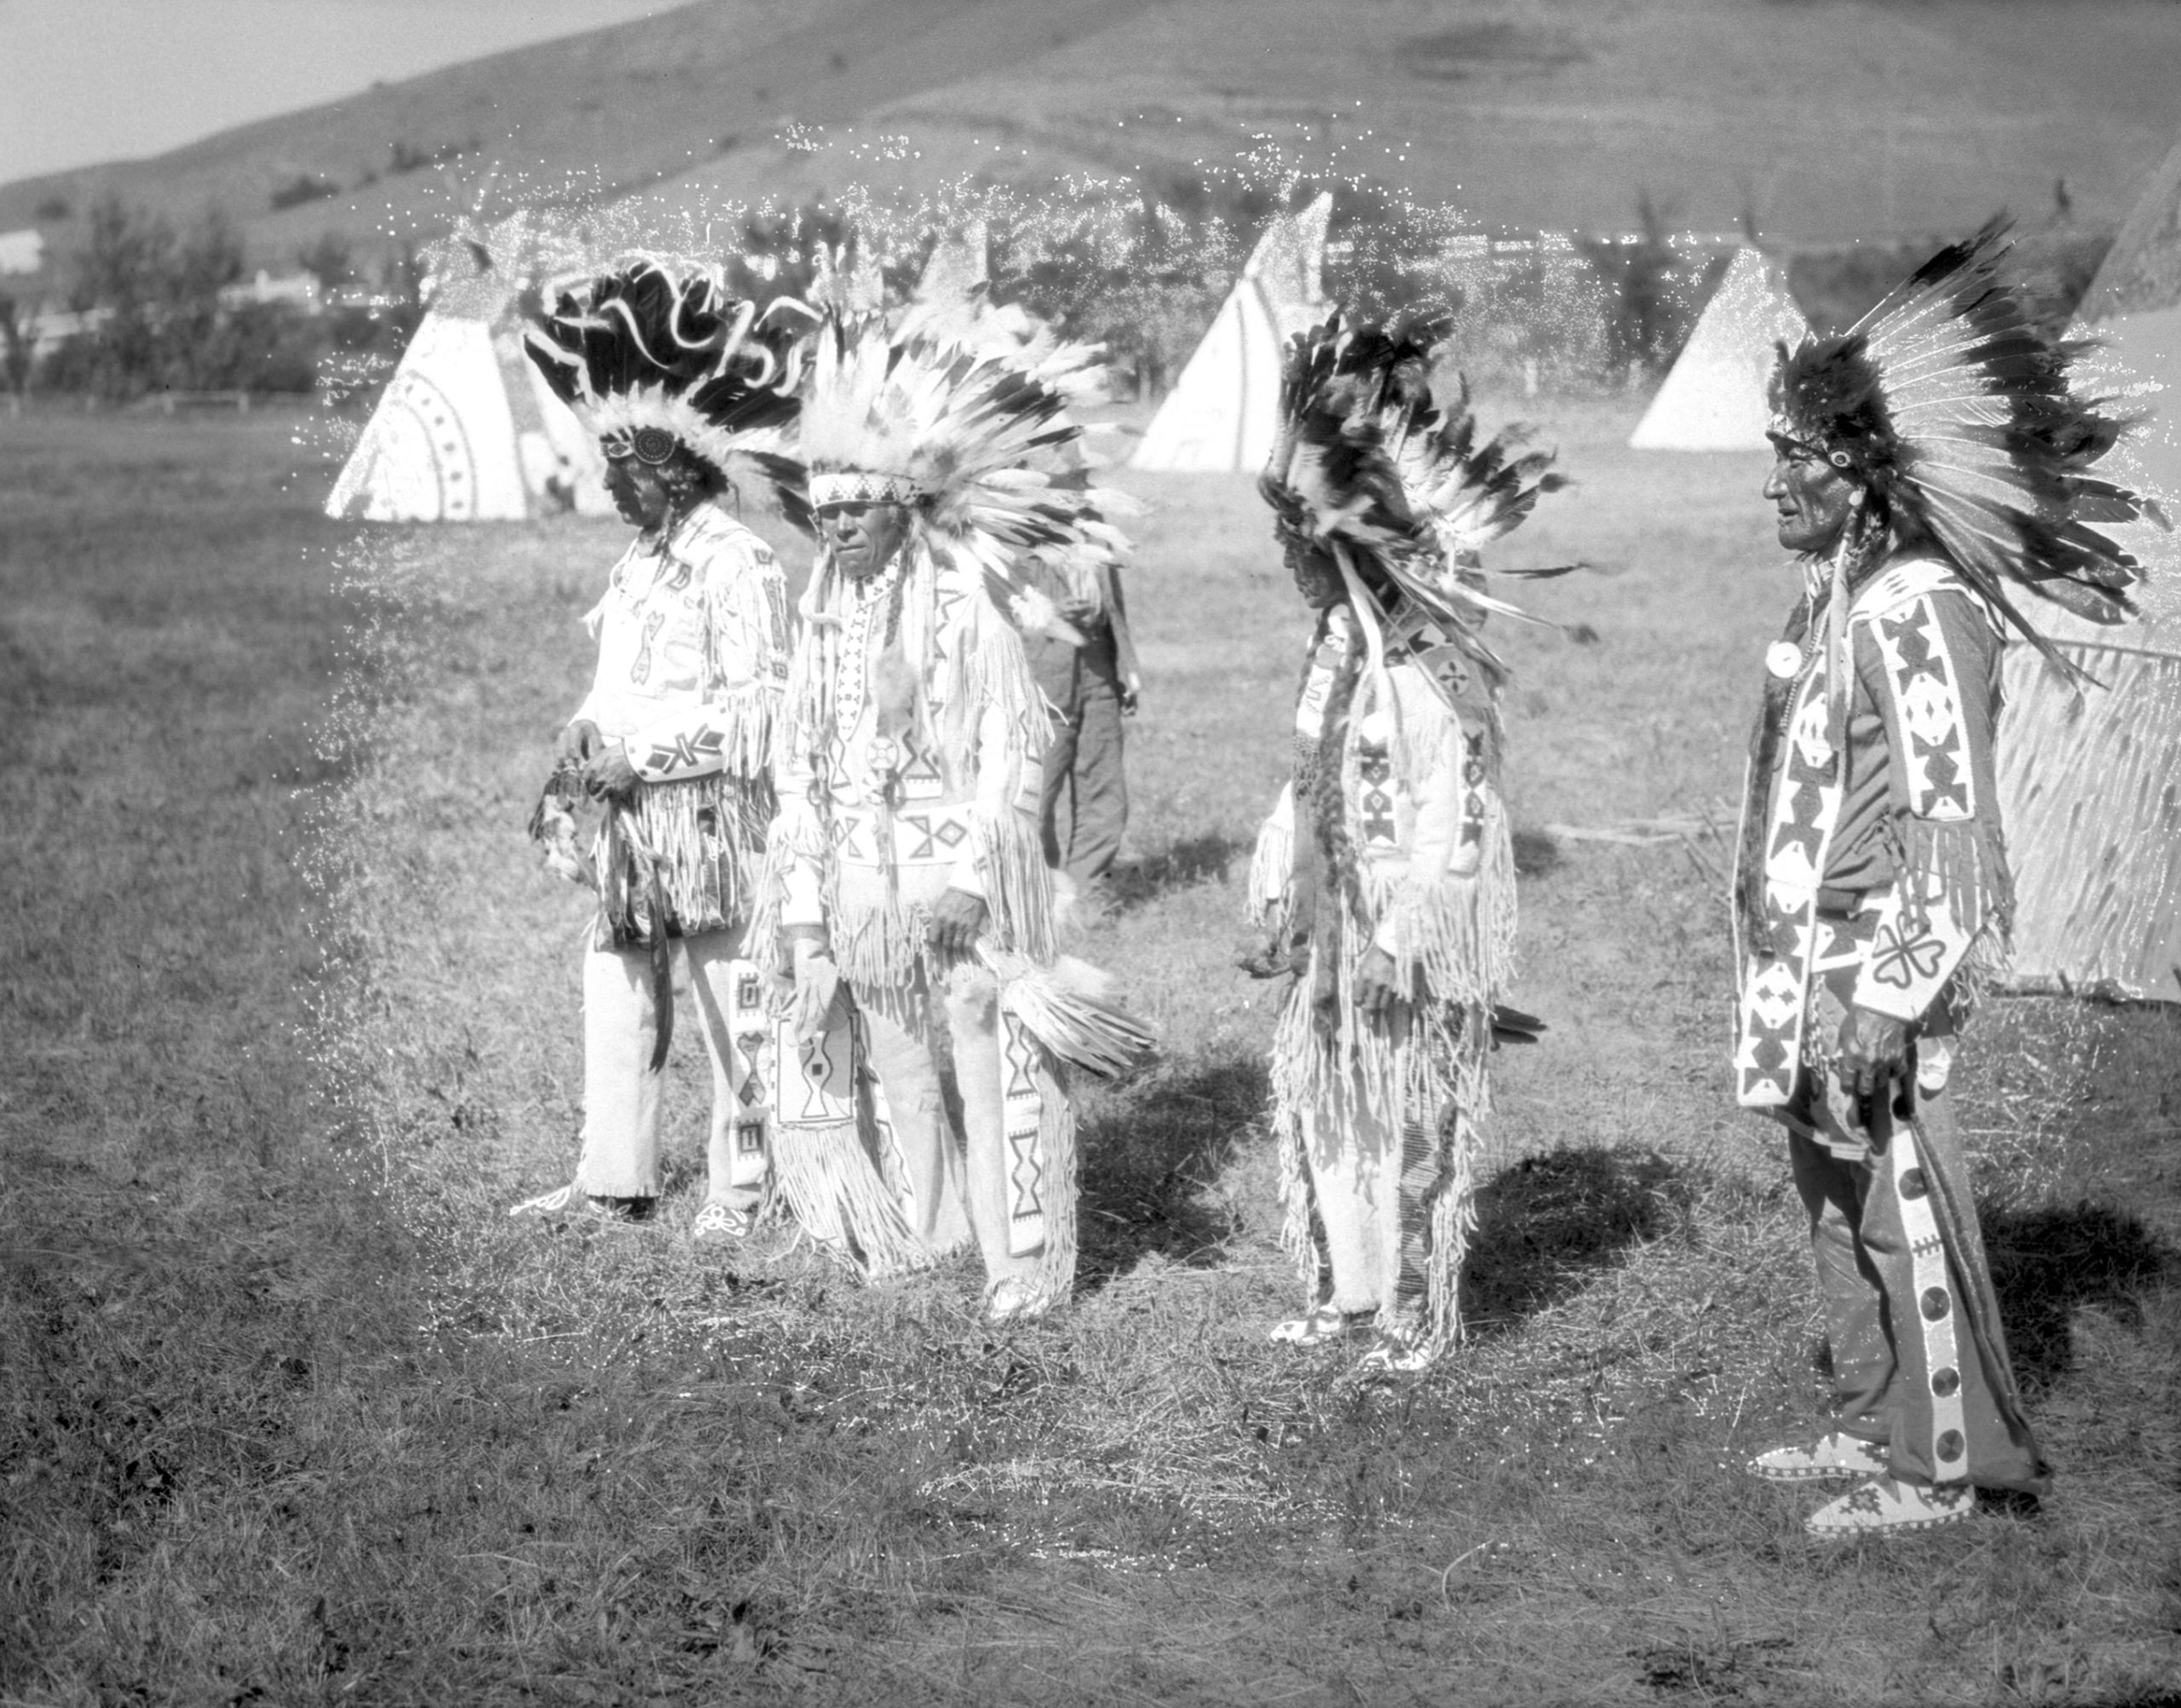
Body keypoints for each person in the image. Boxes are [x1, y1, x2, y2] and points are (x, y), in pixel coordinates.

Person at [1733, 223, 2149, 1536]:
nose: (1773, 487)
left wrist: (1886, 997)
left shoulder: (1916, 608)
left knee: (1905, 1207)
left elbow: (1952, 829)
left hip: (1868, 968)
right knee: (1835, 1202)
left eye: (1792, 463)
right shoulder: (1839, 593)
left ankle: (1948, 1464)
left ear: (1858, 474)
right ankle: (1869, 1419)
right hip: (1804, 960)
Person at [753, 308, 1142, 1322]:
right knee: (894, 1058)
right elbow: (797, 768)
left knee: (981, 1043)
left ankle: (1018, 1261)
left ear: (903, 510)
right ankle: (929, 1234)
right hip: (857, 882)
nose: (834, 526)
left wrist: (975, 876)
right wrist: (804, 911)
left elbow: (1018, 748)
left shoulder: (965, 607)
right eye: (822, 511)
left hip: (948, 878)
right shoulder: (818, 620)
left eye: (856, 510)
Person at [1246, 316, 1565, 1372]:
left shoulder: (1435, 666)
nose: (1295, 561)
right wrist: (1273, 886)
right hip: (1333, 927)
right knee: (1332, 1106)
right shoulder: (1339, 645)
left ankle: (1416, 1316)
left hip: (1402, 937)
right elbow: (1306, 779)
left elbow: (1457, 825)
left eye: (1309, 544)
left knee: (1416, 1112)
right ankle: (1351, 1293)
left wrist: (1402, 940)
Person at [509, 262, 808, 1239]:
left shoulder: (737, 559)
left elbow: (760, 713)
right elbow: (620, 677)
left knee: (736, 1003)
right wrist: (586, 726)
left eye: (621, 470)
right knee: (616, 990)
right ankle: (613, 1180)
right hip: (629, 821)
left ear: (669, 467)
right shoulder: (638, 560)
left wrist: (656, 759)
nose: (606, 484)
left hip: (709, 817)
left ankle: (742, 1189)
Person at [1024, 555, 1141, 892]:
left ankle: (1086, 895)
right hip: (1038, 673)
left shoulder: (1095, 527)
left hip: (1097, 667)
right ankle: (1035, 895)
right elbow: (993, 605)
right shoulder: (1010, 522)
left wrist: (1125, 668)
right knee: (1034, 793)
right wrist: (1050, 613)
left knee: (1104, 791)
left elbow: (1114, 610)